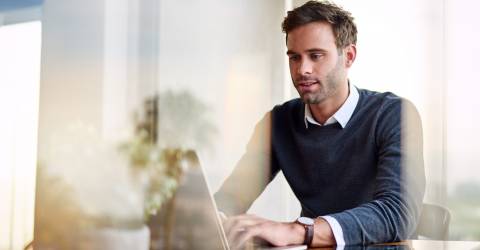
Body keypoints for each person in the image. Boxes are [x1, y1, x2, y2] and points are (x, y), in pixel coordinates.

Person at [214, 0, 425, 248]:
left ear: (348, 56)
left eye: (316, 56)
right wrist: (215, 218)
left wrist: (299, 230)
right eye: (294, 57)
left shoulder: (393, 114)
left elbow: (397, 214)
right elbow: (230, 198)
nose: (303, 69)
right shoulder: (278, 123)